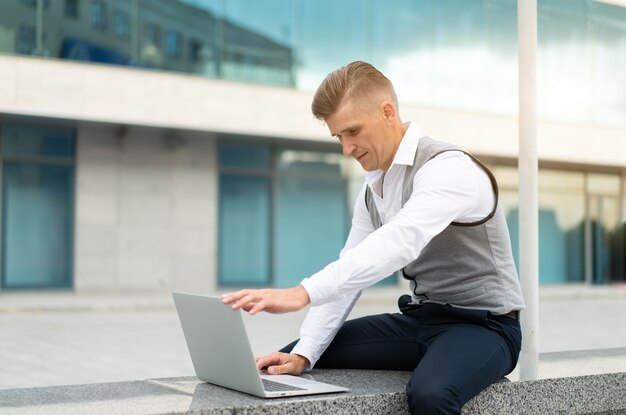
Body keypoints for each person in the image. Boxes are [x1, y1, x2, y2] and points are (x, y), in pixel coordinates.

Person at [222, 61, 525, 415]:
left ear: (387, 112)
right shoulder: (371, 191)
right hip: (422, 320)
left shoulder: (448, 168)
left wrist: (302, 292)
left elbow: (399, 242)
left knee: (430, 394)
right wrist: (305, 352)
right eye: (339, 137)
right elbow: (350, 268)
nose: (347, 149)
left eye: (353, 131)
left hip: (485, 327)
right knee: (293, 355)